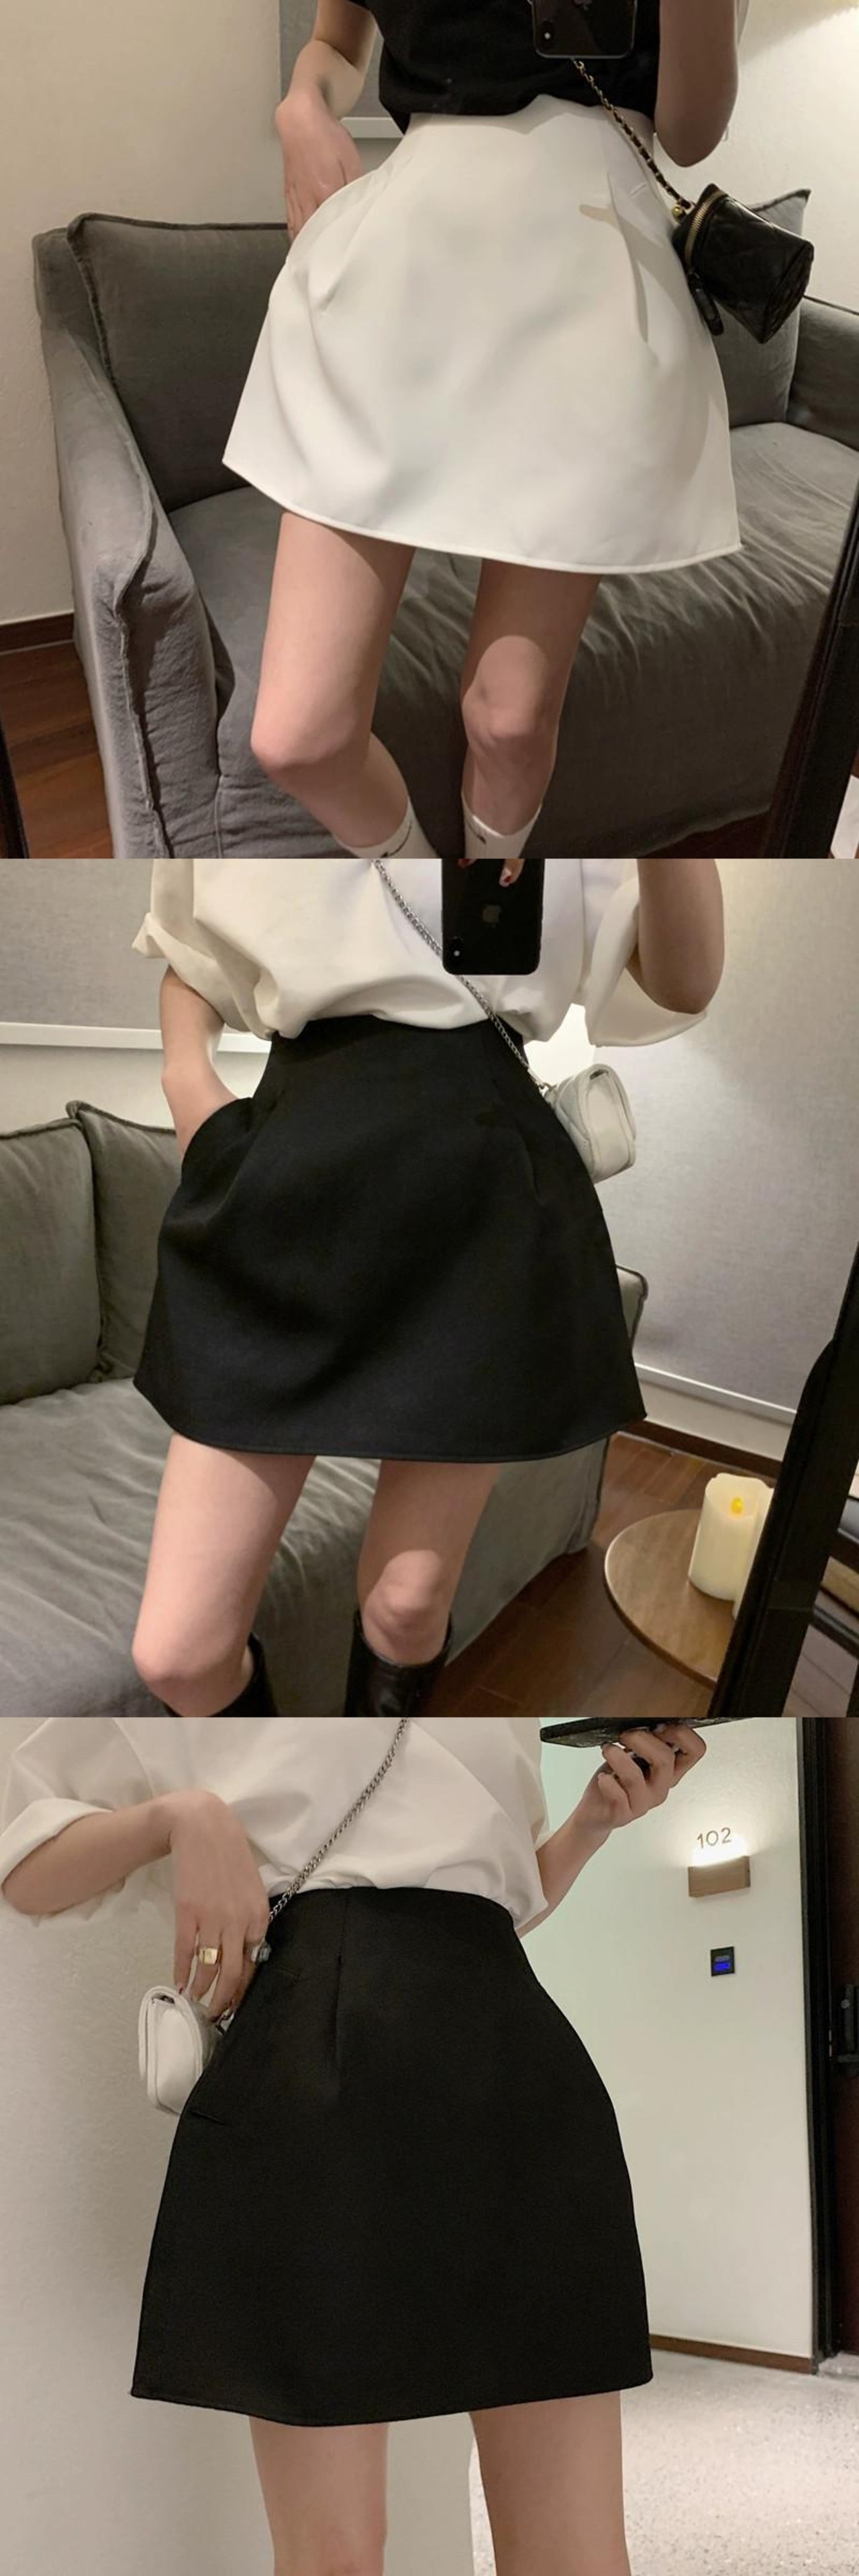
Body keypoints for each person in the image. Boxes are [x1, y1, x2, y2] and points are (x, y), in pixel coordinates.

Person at [0, 1711, 709, 2576]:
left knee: (580, 2554)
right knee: (333, 2557)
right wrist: (182, 1817)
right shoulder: (185, 1693)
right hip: (313, 2071)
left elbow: (496, 1904)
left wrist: (593, 1823)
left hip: (515, 2063)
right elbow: (25, 1868)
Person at [127, 853, 725, 1719]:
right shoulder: (262, 810)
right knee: (179, 1654)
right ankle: (277, 1778)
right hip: (292, 1182)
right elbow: (189, 954)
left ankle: (366, 1786)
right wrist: (189, 1088)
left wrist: (662, 819)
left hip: (477, 1190)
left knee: (407, 1607)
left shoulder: (565, 808)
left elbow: (684, 980)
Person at [219, 0, 750, 867]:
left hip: (586, 266)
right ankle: (427, 895)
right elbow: (335, 45)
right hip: (405, 264)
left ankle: (479, 912)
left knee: (510, 720)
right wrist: (302, 106)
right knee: (300, 737)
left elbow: (691, 133)